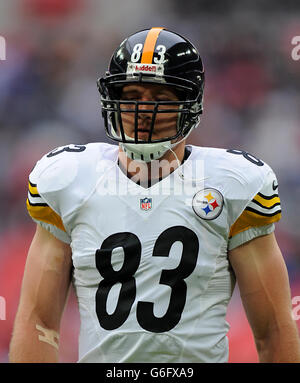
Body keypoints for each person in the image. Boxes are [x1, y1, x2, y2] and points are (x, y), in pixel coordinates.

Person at [9, 27, 300, 363]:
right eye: (131, 94)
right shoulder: (70, 178)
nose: (143, 110)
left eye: (160, 98)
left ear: (190, 104)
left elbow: (274, 330)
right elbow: (39, 322)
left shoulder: (234, 184)